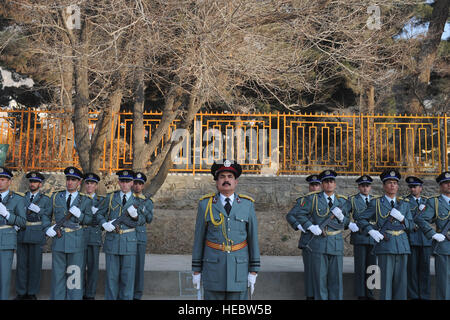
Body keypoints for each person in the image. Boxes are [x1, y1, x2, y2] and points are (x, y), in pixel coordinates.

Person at [192, 160, 260, 300]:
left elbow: (253, 239)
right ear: (216, 182)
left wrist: (254, 270)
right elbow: (199, 239)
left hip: (239, 270)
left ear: (236, 182)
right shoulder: (206, 204)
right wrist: (196, 270)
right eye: (222, 177)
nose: (226, 180)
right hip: (213, 269)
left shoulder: (247, 205)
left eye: (230, 176)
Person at [355, 168, 414, 300]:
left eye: (395, 182)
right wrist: (371, 231)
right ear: (384, 185)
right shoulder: (376, 203)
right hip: (386, 244)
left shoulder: (404, 204)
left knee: (401, 283)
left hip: (402, 245)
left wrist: (403, 219)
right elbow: (361, 219)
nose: (393, 185)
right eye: (389, 182)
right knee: (386, 283)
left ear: (398, 186)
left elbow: (411, 225)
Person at [292, 169, 349, 300]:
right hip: (319, 244)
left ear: (335, 184)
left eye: (331, 181)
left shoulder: (342, 201)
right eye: (326, 182)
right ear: (322, 184)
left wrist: (341, 218)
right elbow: (298, 214)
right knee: (320, 280)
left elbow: (347, 222)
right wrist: (310, 226)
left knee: (336, 280)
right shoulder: (312, 199)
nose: (329, 184)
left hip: (336, 243)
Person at [43, 166, 93, 300]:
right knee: (57, 276)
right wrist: (47, 228)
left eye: (73, 180)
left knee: (74, 277)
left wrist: (80, 215)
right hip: (59, 240)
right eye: (68, 179)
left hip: (76, 242)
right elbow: (45, 215)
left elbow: (90, 220)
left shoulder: (86, 200)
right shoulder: (55, 197)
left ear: (79, 182)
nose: (70, 182)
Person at [96, 169, 145, 300]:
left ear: (132, 183)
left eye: (127, 181)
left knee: (127, 279)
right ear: (118, 182)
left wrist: (135, 216)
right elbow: (99, 214)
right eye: (122, 181)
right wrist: (104, 224)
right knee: (111, 278)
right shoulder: (111, 197)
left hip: (129, 241)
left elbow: (143, 220)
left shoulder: (137, 200)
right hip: (112, 240)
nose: (124, 184)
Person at [414, 171, 450, 300]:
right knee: (444, 282)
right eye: (446, 183)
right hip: (444, 246)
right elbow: (420, 219)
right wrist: (433, 234)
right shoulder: (434, 202)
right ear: (440, 186)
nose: (449, 185)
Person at [15, 171, 50, 300]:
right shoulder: (21, 197)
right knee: (21, 265)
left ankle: (32, 292)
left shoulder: (45, 199)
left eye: (35, 182)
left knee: (35, 265)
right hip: (22, 232)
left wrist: (39, 211)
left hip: (36, 233)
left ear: (40, 184)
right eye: (31, 181)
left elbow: (48, 213)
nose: (33, 184)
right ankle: (21, 291)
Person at [285, 174, 321, 300]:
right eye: (312, 185)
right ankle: (310, 296)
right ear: (309, 186)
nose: (314, 187)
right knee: (310, 271)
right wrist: (299, 226)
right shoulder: (304, 200)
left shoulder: (327, 200)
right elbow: (290, 215)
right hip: (309, 240)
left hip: (323, 239)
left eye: (317, 185)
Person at [346, 175, 376, 300]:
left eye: (367, 186)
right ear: (359, 187)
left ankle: (371, 293)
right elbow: (343, 214)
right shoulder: (352, 200)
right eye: (363, 186)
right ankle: (361, 294)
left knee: (373, 267)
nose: (365, 188)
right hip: (360, 235)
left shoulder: (376, 200)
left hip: (374, 236)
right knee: (360, 266)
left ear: (370, 187)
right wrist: (350, 224)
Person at [0, 167, 26, 300]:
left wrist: (7, 215)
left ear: (9, 182)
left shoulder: (17, 199)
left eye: (3, 179)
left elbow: (22, 222)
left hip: (5, 242)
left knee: (4, 277)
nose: (0, 182)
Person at [404, 176, 431, 300]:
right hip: (412, 239)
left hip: (425, 239)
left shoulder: (428, 201)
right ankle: (413, 295)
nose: (412, 189)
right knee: (412, 270)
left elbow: (431, 218)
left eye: (415, 187)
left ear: (421, 188)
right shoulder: (405, 201)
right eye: (411, 187)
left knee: (425, 270)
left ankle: (424, 295)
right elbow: (404, 218)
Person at [81, 172, 104, 300]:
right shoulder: (80, 199)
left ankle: (90, 294)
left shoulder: (101, 201)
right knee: (79, 266)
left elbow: (103, 218)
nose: (89, 186)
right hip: (81, 237)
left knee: (93, 268)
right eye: (88, 183)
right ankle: (80, 292)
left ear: (96, 186)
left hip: (94, 237)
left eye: (92, 183)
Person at [132, 171, 154, 300]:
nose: (137, 186)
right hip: (127, 236)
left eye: (140, 184)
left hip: (140, 237)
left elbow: (150, 219)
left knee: (139, 268)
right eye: (135, 183)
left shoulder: (148, 201)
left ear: (143, 186)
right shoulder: (128, 198)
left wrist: (144, 210)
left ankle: (137, 294)